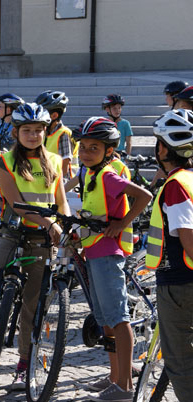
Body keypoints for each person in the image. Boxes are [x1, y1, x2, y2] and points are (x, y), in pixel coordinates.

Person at [0, 103, 69, 391]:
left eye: (38, 131)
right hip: (13, 234)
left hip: (43, 242)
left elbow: (61, 202)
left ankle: (23, 365)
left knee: (32, 308)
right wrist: (48, 223)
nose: (33, 136)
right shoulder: (6, 161)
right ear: (16, 132)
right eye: (27, 130)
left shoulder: (55, 161)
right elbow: (17, 204)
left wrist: (65, 226)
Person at [71, 117, 151, 402]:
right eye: (82, 147)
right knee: (105, 321)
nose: (86, 152)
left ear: (108, 151)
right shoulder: (90, 174)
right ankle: (114, 376)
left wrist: (122, 224)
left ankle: (125, 387)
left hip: (108, 254)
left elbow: (143, 195)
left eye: (94, 148)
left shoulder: (106, 175)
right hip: (93, 251)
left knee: (118, 320)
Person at [145, 108, 193, 402]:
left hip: (179, 284)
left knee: (181, 363)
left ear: (162, 148)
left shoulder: (176, 186)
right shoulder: (189, 178)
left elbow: (187, 236)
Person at [35, 90, 74, 177]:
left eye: (42, 113)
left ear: (54, 116)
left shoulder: (63, 133)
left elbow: (64, 167)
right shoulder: (45, 133)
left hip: (64, 183)